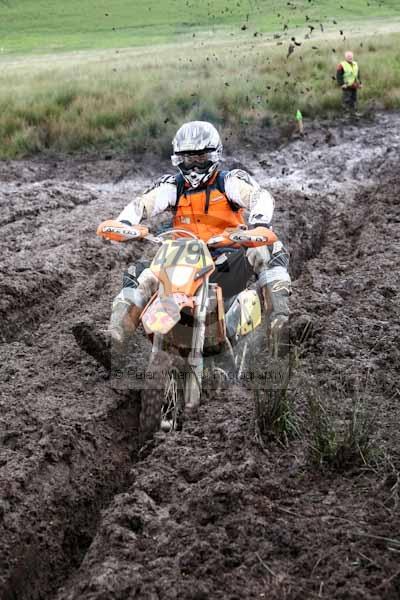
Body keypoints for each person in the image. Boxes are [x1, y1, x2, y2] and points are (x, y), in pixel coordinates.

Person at [73, 121, 291, 370]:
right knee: (139, 274)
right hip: (183, 264)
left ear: (214, 156)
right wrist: (125, 223)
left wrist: (259, 225)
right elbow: (143, 203)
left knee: (269, 248)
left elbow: (260, 196)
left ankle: (280, 324)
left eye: (201, 158)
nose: (195, 166)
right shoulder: (173, 186)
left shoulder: (228, 181)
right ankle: (116, 340)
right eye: (188, 159)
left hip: (226, 262)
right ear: (178, 159)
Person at [336, 51, 362, 115]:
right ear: (345, 57)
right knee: (346, 100)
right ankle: (345, 114)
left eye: (351, 56)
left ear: (353, 56)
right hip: (346, 85)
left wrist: (360, 83)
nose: (350, 57)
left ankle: (354, 112)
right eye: (348, 56)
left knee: (354, 99)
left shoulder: (355, 64)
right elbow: (338, 76)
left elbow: (358, 75)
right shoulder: (341, 65)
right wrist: (342, 84)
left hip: (354, 85)